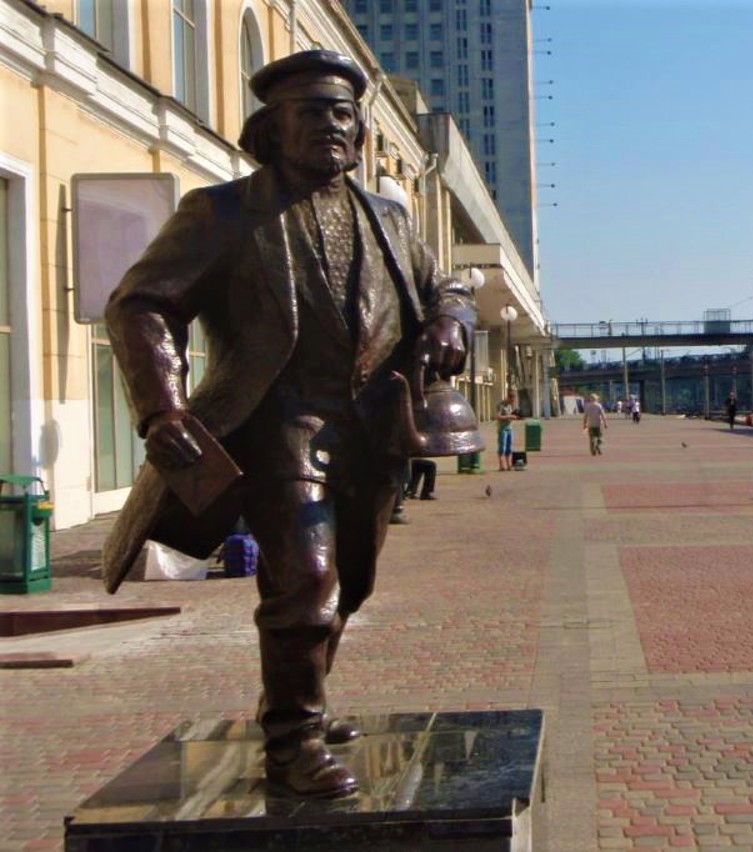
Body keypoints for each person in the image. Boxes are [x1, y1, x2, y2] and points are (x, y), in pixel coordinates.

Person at [102, 51, 476, 799]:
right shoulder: (223, 213)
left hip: (374, 426)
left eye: (343, 114)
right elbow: (142, 305)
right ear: (271, 130)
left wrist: (450, 324)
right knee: (306, 583)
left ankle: (297, 700)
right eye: (312, 112)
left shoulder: (390, 219)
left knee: (354, 582)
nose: (331, 127)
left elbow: (451, 287)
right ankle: (293, 741)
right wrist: (161, 405)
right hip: (277, 424)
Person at [496, 391, 519, 471]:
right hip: (502, 429)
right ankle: (501, 465)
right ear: (508, 398)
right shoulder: (501, 405)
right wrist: (509, 416)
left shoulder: (510, 405)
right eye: (511, 400)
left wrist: (514, 417)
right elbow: (498, 417)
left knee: (509, 447)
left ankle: (508, 464)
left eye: (513, 401)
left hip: (509, 428)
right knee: (502, 447)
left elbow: (510, 415)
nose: (512, 402)